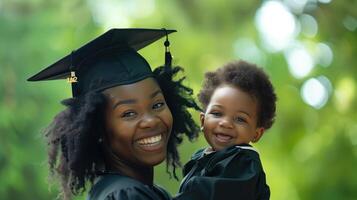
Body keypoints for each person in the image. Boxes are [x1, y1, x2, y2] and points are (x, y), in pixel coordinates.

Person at [28, 28, 200, 200]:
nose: (150, 121)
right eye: (129, 113)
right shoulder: (126, 195)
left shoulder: (138, 191)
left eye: (157, 104)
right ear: (97, 129)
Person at [175, 60, 277, 200]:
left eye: (240, 119)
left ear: (256, 133)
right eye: (217, 113)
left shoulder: (244, 163)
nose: (225, 123)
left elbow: (208, 193)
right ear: (203, 120)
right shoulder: (201, 157)